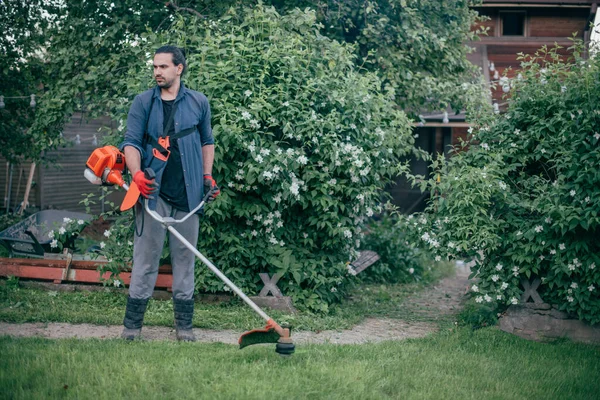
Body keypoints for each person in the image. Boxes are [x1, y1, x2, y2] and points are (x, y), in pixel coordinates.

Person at [119, 45, 219, 341]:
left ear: (179, 68)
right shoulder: (143, 103)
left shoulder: (198, 102)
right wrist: (137, 175)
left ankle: (184, 329)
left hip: (189, 197)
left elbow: (207, 141)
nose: (157, 72)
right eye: (154, 67)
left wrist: (207, 176)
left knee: (185, 262)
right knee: (146, 261)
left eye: (163, 66)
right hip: (153, 194)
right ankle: (132, 328)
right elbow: (132, 143)